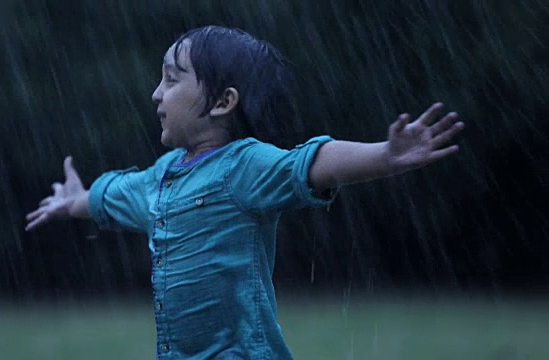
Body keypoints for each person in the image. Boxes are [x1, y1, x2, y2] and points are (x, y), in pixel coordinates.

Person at [25, 25, 464, 359]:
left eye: (172, 80)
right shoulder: (160, 178)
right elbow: (114, 195)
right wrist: (73, 203)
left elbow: (310, 163)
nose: (156, 93)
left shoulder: (244, 167)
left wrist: (384, 154)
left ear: (222, 103)